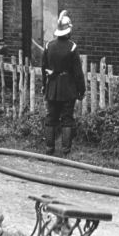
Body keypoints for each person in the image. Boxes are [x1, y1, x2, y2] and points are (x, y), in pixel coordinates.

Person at [41, 10, 86, 156]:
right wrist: (81, 90)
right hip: (68, 88)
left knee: (51, 117)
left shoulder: (49, 46)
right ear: (68, 31)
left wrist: (44, 85)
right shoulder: (72, 47)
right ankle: (66, 150)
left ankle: (49, 148)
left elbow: (44, 69)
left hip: (52, 87)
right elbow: (78, 72)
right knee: (67, 118)